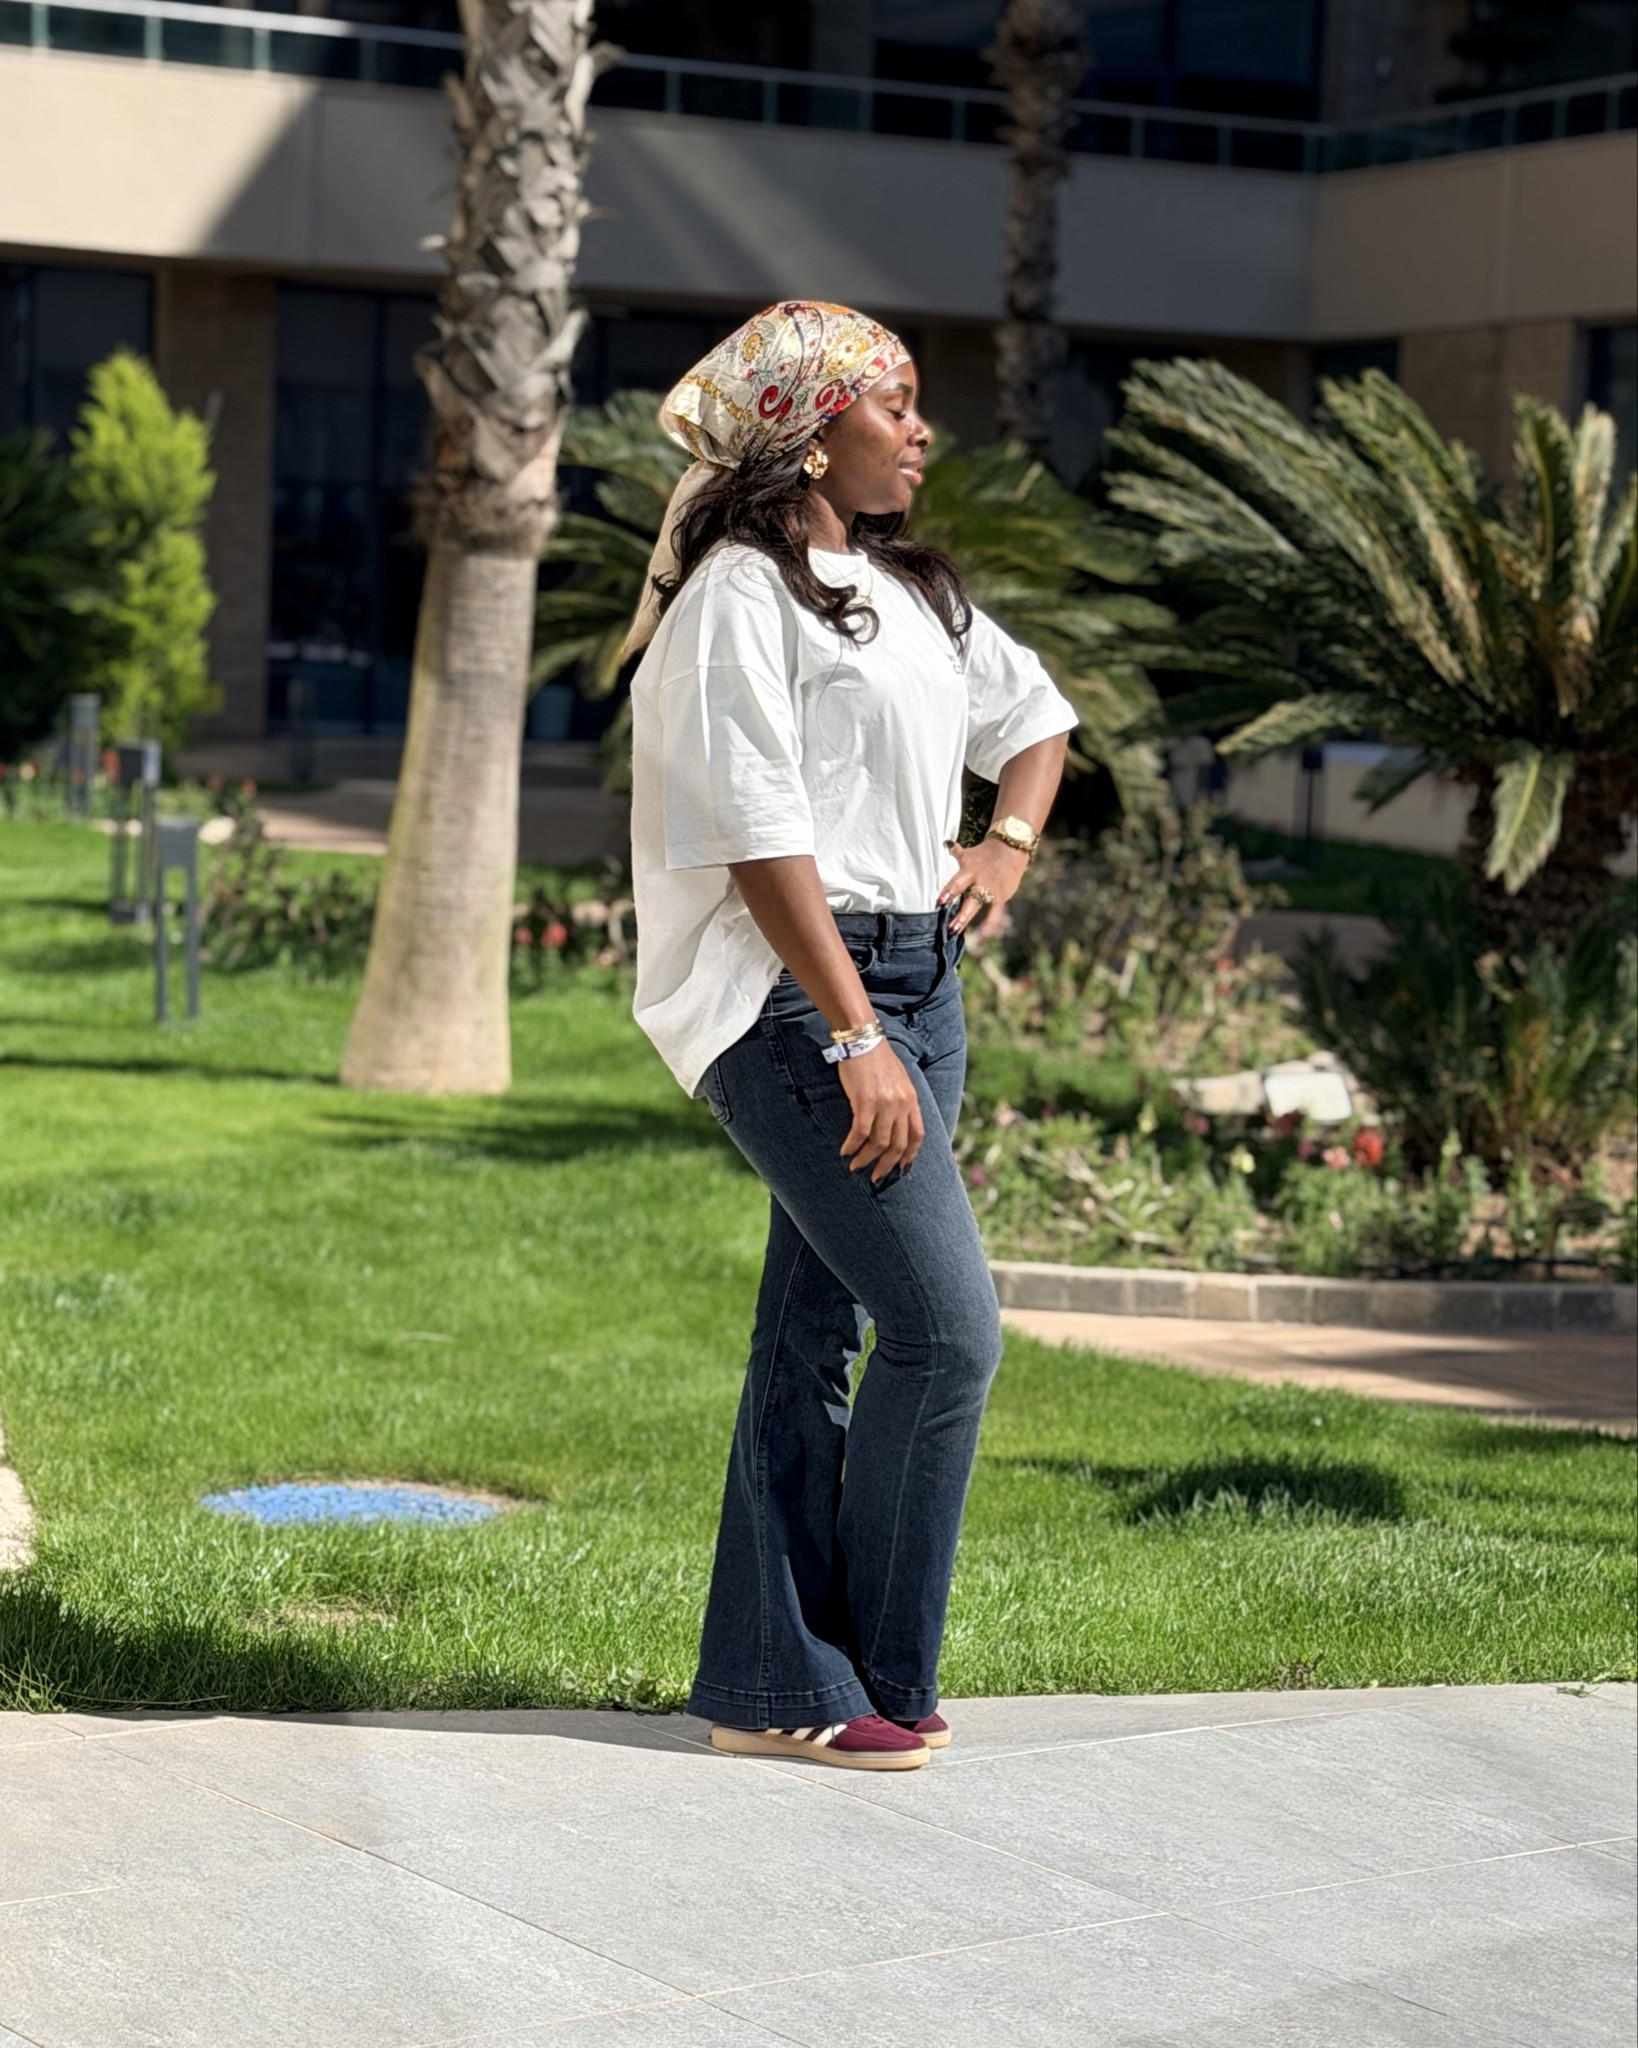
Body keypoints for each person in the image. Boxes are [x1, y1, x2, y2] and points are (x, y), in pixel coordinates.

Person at [626, 301, 1075, 1772]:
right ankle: (880, 1676)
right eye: (896, 404)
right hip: (793, 994)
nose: (922, 429)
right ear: (815, 429)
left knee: (811, 1332)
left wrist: (1000, 849)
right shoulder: (734, 601)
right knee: (947, 1335)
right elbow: (756, 835)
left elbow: (1038, 719)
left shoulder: (906, 591)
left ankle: (771, 1685)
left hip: (918, 982)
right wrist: (846, 1033)